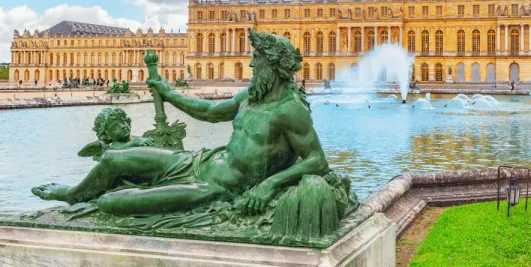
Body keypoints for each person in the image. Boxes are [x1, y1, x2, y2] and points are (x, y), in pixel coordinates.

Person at [32, 31, 330, 216]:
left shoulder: (290, 109)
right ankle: (70, 195)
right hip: (197, 161)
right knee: (111, 159)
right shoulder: (251, 95)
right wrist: (169, 93)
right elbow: (209, 111)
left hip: (212, 187)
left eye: (257, 60)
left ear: (274, 65)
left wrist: (268, 185)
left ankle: (97, 198)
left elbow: (317, 161)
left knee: (110, 202)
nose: (251, 65)